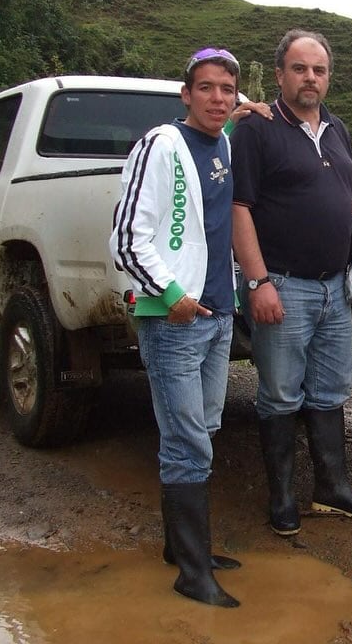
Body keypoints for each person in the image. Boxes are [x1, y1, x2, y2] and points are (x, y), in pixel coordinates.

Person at [231, 29, 352, 536]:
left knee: (329, 390)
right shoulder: (258, 128)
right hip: (284, 284)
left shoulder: (338, 129)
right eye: (300, 69)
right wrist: (258, 283)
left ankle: (332, 489)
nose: (310, 78)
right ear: (280, 75)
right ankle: (281, 497)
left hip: (335, 288)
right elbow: (240, 208)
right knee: (279, 393)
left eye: (318, 70)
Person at [110, 47, 244, 607]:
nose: (218, 98)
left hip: (216, 314)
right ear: (185, 94)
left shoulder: (223, 141)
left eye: (227, 90)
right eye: (206, 88)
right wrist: (172, 296)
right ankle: (193, 572)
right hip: (174, 318)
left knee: (204, 429)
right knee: (186, 441)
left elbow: (238, 112)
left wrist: (248, 109)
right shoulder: (161, 144)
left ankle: (183, 549)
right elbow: (127, 236)